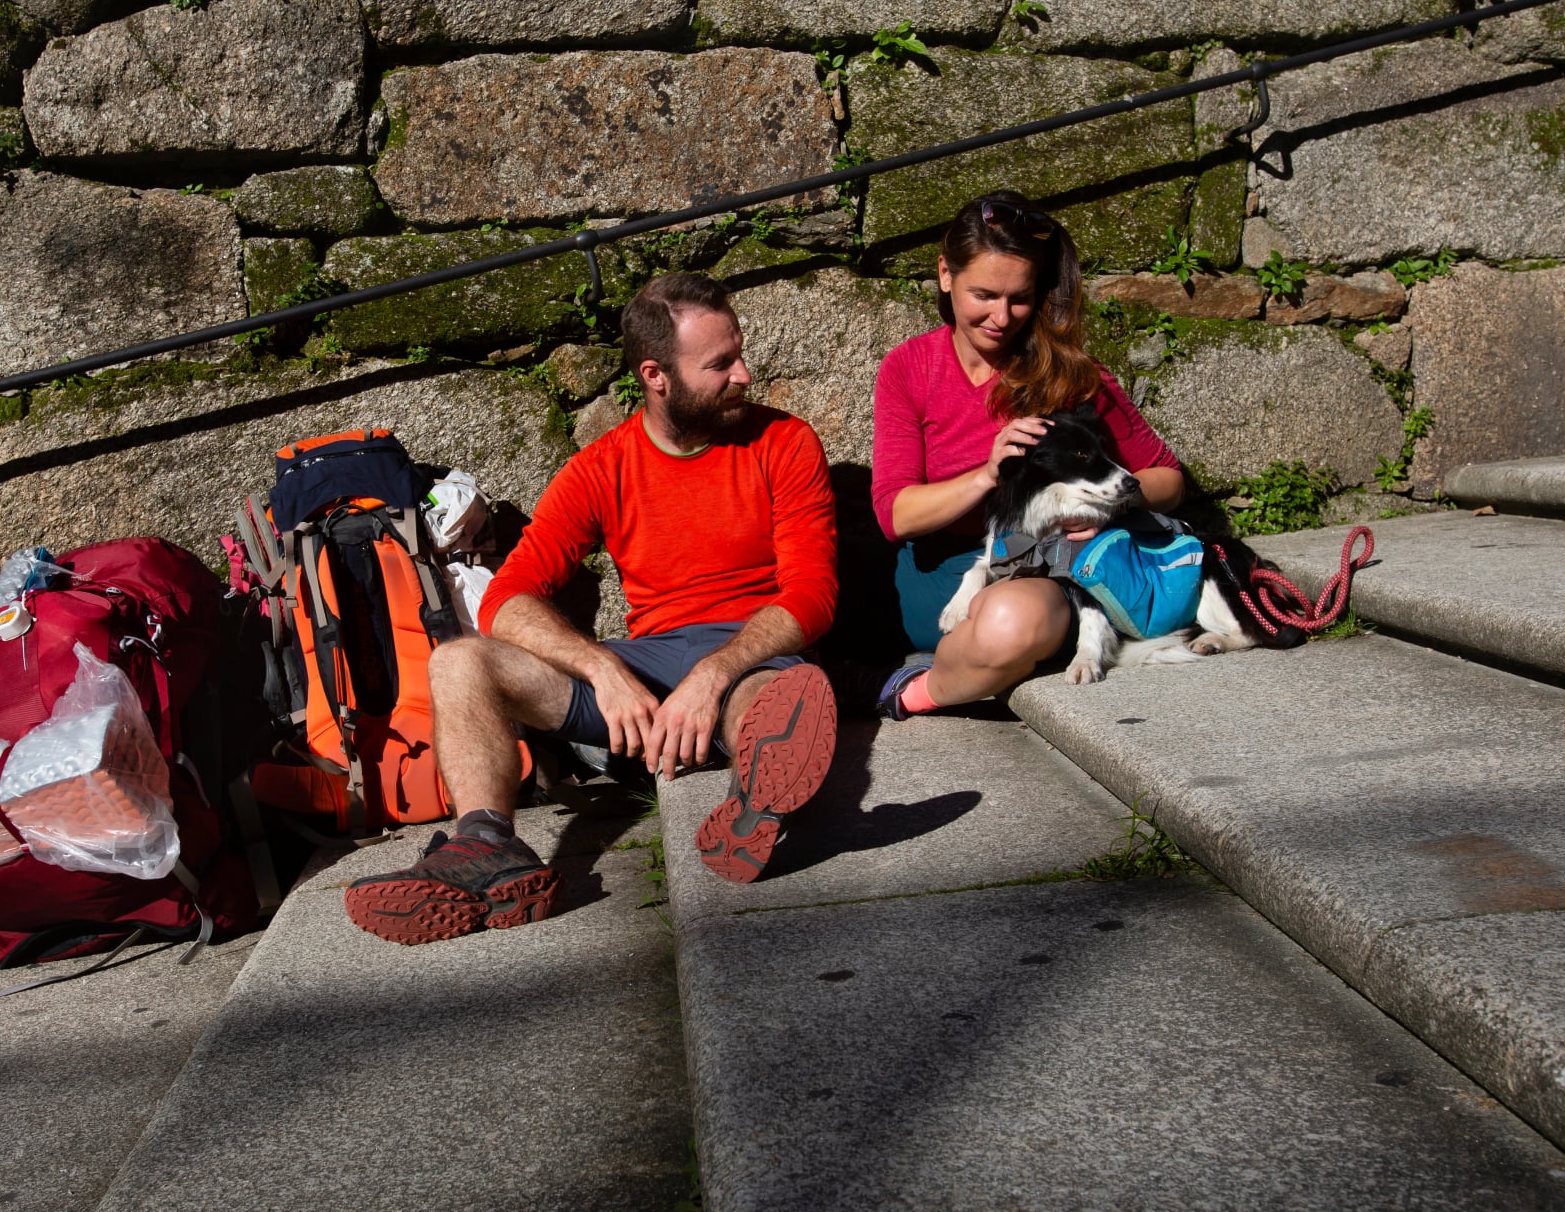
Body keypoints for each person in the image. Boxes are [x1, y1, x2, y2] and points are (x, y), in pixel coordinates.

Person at [345, 272, 841, 945]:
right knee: (461, 661)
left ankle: (755, 803)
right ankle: (489, 847)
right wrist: (602, 668)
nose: (745, 375)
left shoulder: (785, 444)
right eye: (720, 363)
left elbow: (812, 594)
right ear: (655, 375)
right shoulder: (601, 468)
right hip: (643, 668)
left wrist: (715, 672)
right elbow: (506, 599)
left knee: (777, 699)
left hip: (752, 650)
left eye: (739, 353)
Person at [870, 191, 1185, 719]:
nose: (1002, 316)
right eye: (984, 294)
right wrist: (987, 475)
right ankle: (975, 664)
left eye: (1020, 298)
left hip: (1041, 572)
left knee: (1009, 622)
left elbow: (1168, 480)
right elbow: (894, 514)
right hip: (939, 571)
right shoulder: (909, 367)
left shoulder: (1068, 372)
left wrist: (1104, 507)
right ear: (945, 274)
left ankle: (909, 690)